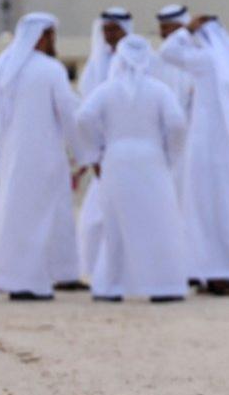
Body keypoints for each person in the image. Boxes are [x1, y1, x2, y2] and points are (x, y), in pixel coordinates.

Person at [159, 14, 229, 295]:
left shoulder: (206, 59)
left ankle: (217, 272)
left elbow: (167, 51)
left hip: (206, 147)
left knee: (204, 209)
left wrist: (185, 30)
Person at [76, 35, 188, 302]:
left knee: (115, 224)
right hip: (151, 159)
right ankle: (164, 287)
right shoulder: (159, 89)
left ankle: (109, 287)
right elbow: (177, 123)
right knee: (159, 222)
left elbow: (83, 117)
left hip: (115, 159)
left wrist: (95, 152)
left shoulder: (106, 89)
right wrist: (170, 154)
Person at [0, 13, 88, 299]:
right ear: (42, 37)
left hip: (10, 156)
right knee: (35, 218)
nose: (54, 43)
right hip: (42, 156)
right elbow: (69, 112)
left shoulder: (3, 66)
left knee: (46, 216)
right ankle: (25, 283)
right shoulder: (49, 69)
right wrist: (85, 152)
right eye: (52, 37)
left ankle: (63, 273)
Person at [76, 7, 133, 283]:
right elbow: (86, 112)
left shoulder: (141, 61)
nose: (110, 35)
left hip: (134, 150)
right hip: (104, 151)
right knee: (95, 217)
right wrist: (92, 153)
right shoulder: (94, 66)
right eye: (106, 30)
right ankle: (95, 268)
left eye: (115, 29)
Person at [154, 4, 196, 202]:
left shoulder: (198, 56)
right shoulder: (156, 59)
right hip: (164, 133)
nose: (163, 32)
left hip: (193, 133)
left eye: (168, 27)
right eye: (162, 27)